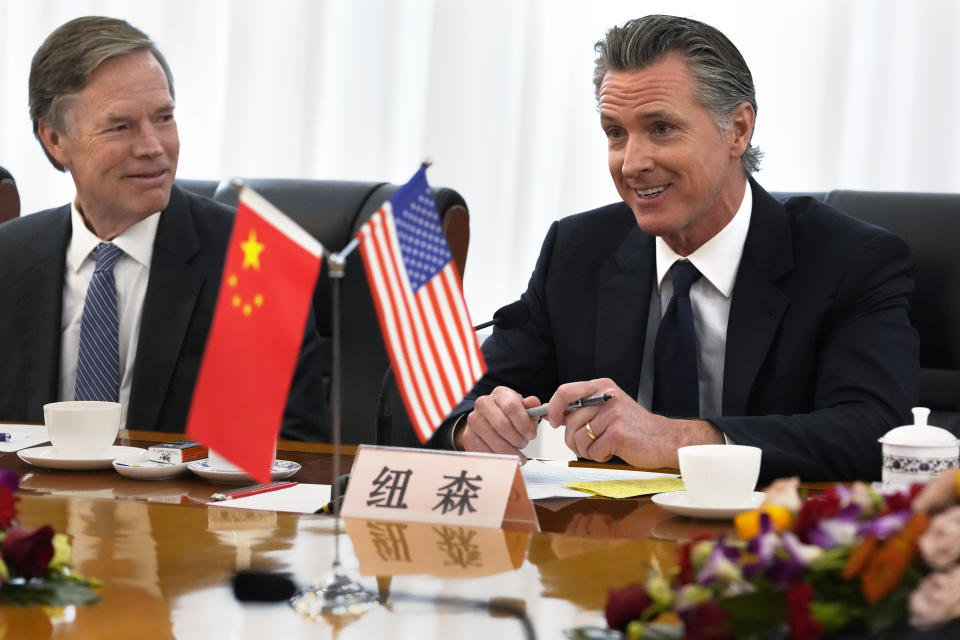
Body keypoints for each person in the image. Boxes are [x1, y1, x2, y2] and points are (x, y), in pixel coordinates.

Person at [433, 15, 918, 482]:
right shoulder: (577, 251)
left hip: (766, 548)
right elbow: (457, 403)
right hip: (607, 548)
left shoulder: (850, 260)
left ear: (739, 130)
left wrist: (674, 440)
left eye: (661, 128)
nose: (631, 163)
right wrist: (473, 429)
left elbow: (874, 432)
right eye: (615, 133)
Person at [0, 16, 326, 440]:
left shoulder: (254, 261)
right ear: (56, 141)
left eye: (164, 118)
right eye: (121, 126)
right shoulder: (8, 261)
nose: (154, 147)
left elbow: (287, 453)